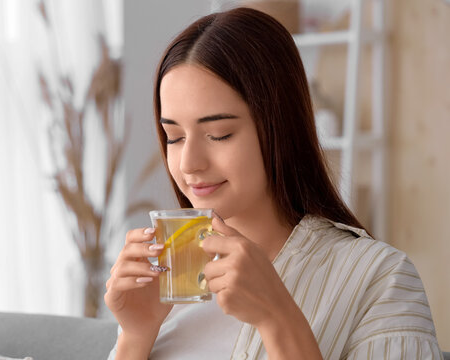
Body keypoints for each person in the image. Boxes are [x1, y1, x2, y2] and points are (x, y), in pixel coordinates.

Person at [104, 7, 443, 359]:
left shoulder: (378, 279)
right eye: (173, 136)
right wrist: (134, 336)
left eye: (219, 134)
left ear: (280, 128)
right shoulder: (167, 289)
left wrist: (277, 318)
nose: (189, 163)